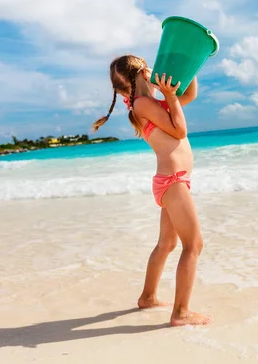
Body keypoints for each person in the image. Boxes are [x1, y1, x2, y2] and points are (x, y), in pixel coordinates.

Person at [92, 54, 211, 327]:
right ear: (144, 73)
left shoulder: (149, 103)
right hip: (173, 181)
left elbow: (189, 95)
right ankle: (181, 313)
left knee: (167, 244)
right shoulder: (142, 105)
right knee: (194, 245)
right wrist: (169, 97)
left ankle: (148, 297)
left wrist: (188, 66)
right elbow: (179, 130)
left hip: (172, 180)